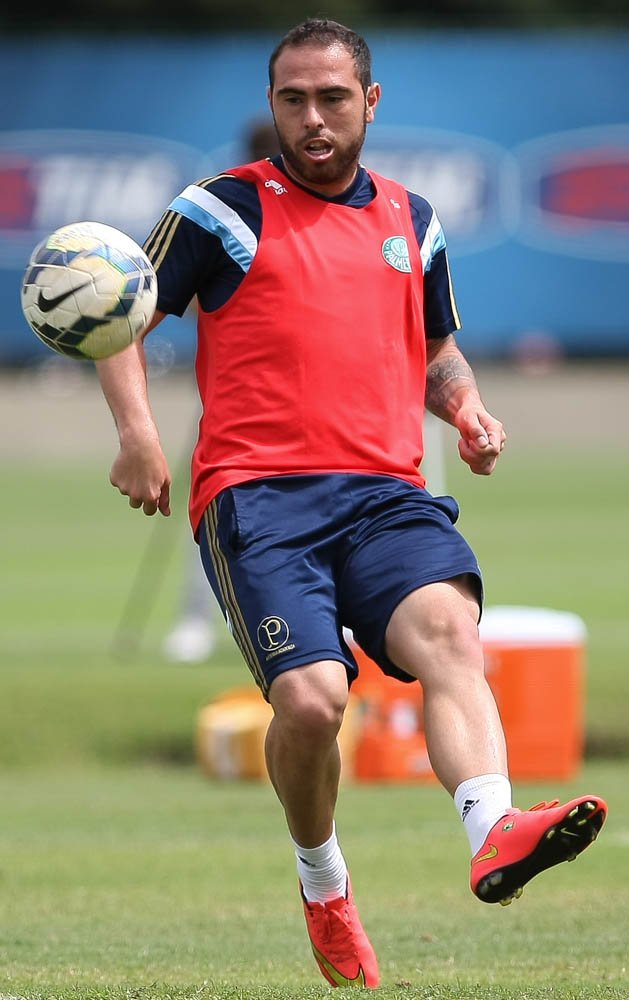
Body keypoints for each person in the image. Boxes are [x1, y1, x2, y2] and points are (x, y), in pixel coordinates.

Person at [96, 19, 607, 989]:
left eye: (331, 98)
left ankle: (493, 828)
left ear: (369, 102)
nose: (312, 117)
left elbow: (433, 348)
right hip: (259, 499)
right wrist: (136, 434)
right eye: (292, 99)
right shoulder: (217, 210)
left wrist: (466, 408)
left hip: (386, 493)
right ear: (273, 103)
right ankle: (322, 882)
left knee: (450, 638)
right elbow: (120, 313)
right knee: (312, 698)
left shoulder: (414, 220)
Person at [162, 118, 282, 664]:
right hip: (239, 393)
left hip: (349, 395)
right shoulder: (224, 211)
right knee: (217, 503)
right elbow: (182, 298)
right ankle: (195, 621)